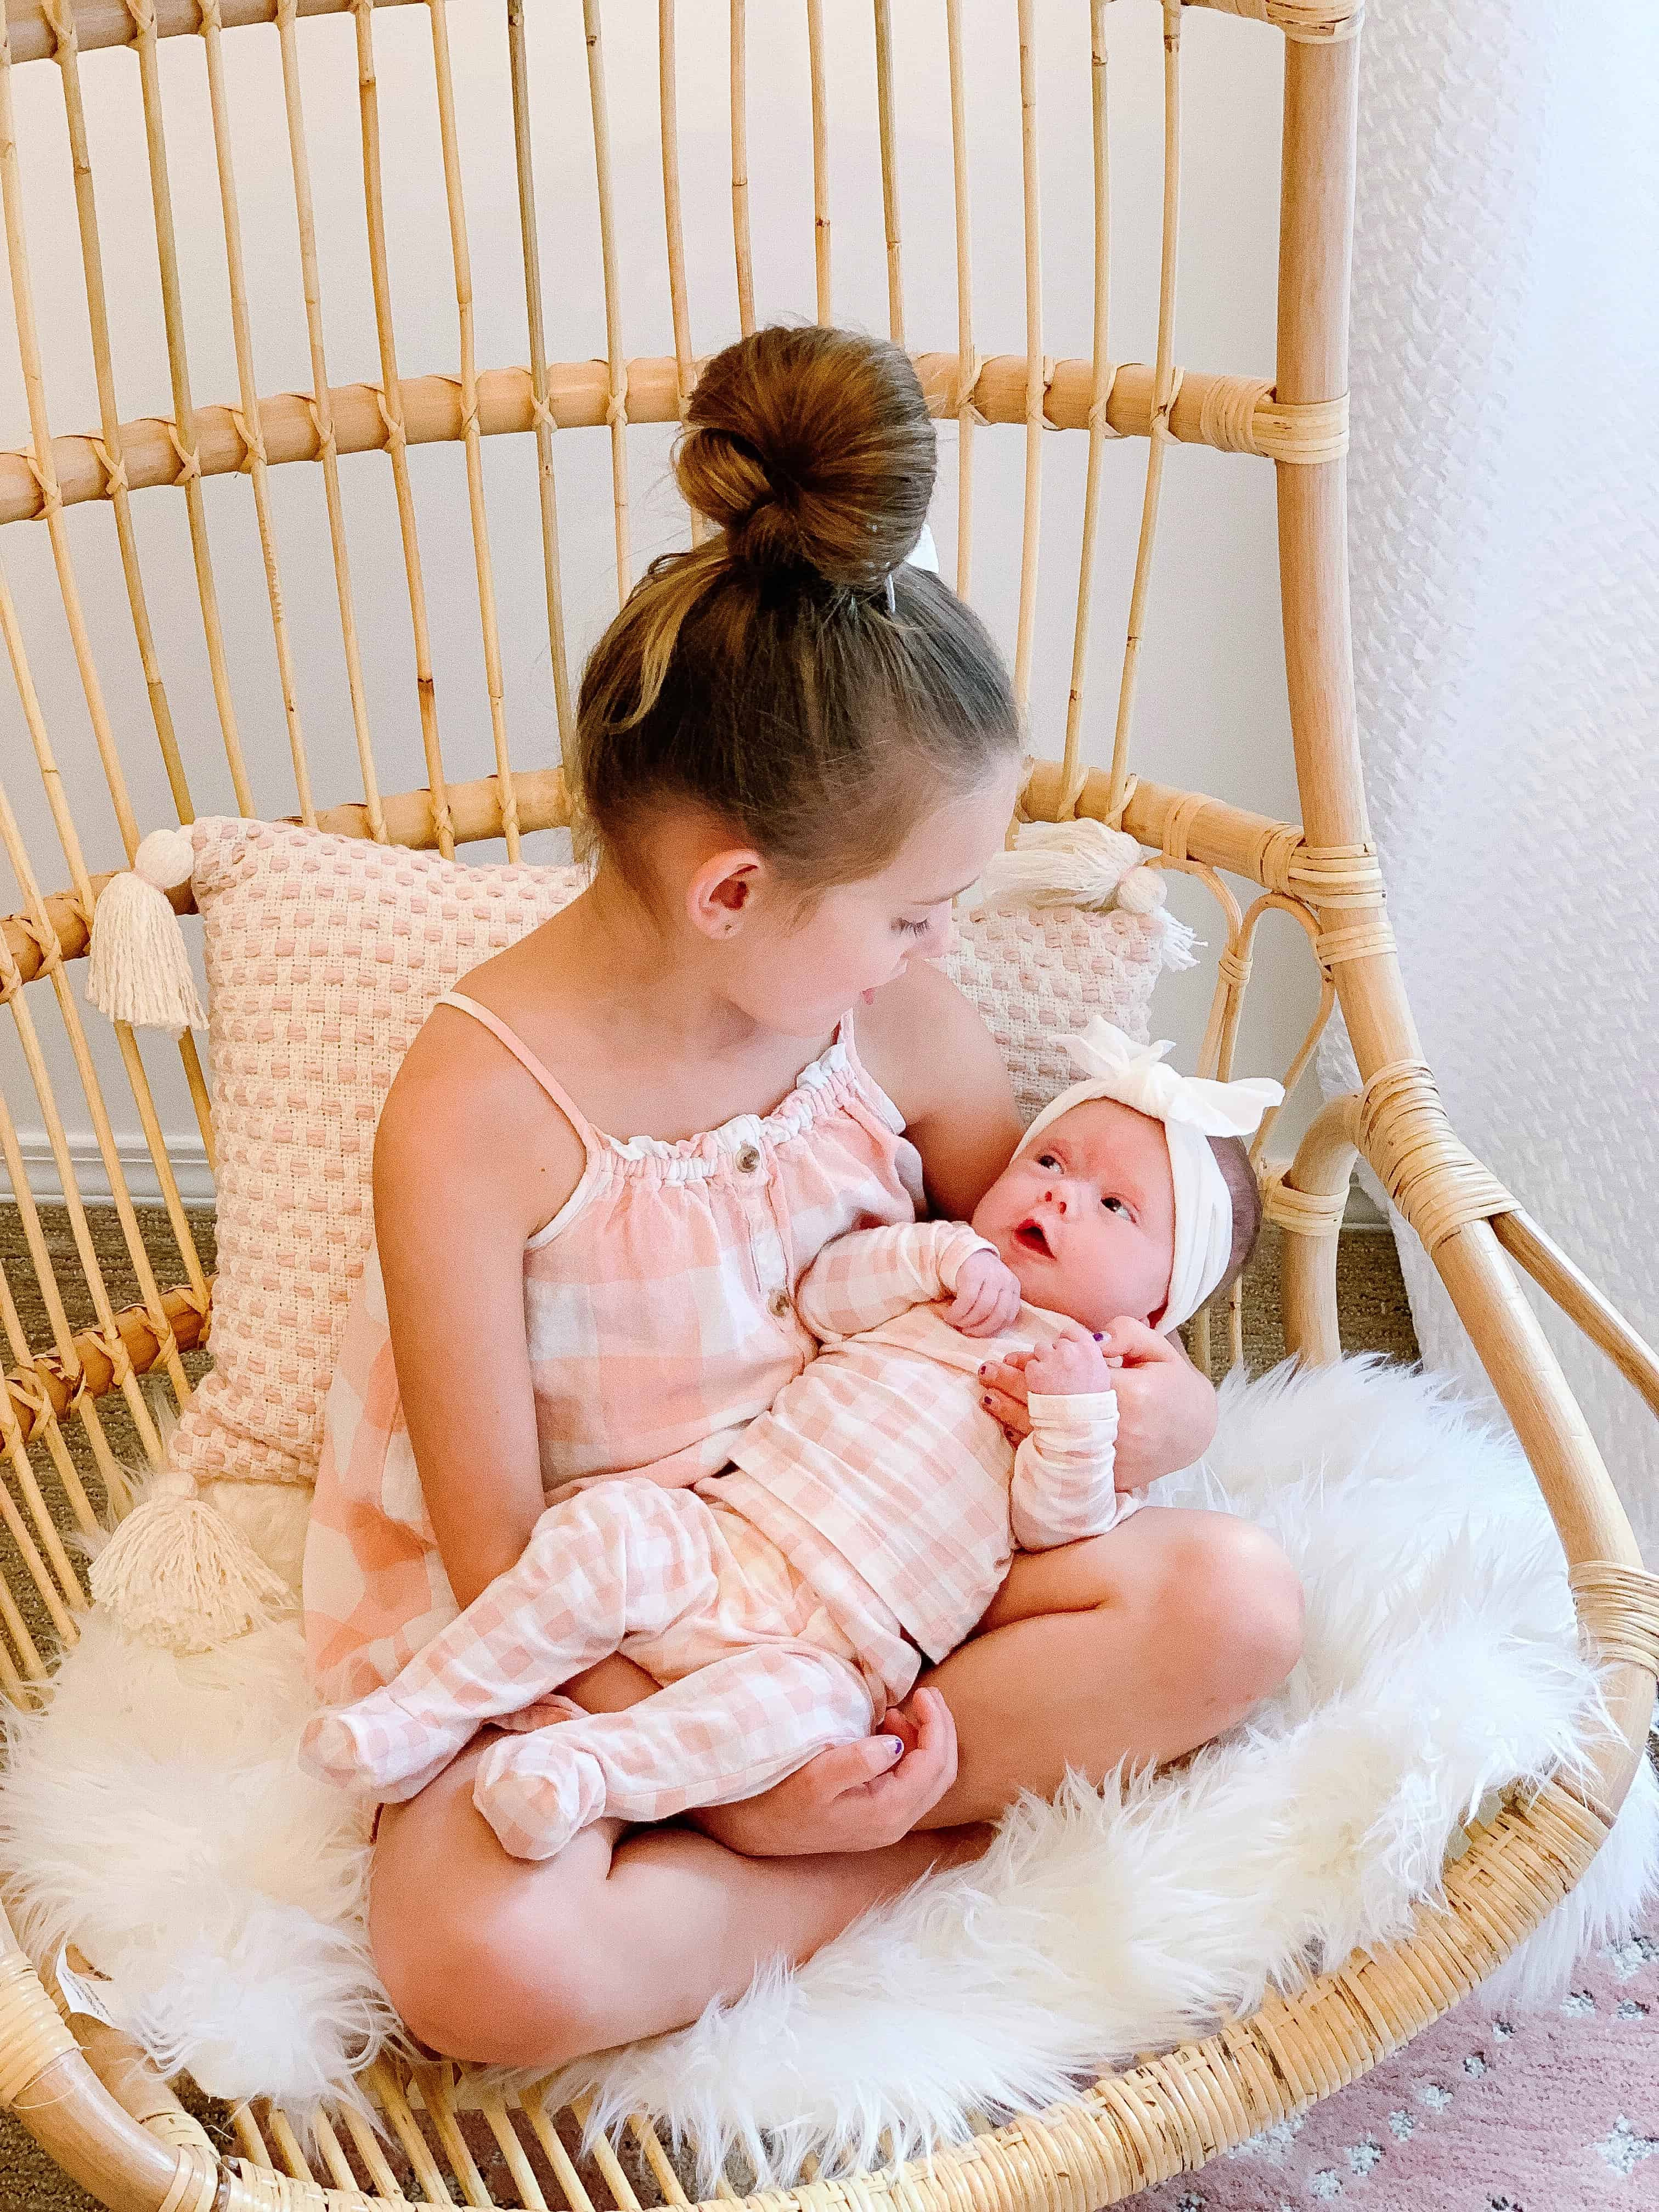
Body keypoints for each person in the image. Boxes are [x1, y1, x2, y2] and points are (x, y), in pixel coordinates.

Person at [301, 324, 1304, 2068]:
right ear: (737, 892)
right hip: (625, 1622)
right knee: (469, 1958)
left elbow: (1056, 1270)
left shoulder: (884, 1010)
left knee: (1238, 1606)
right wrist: (745, 1773)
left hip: (897, 1565)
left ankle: (875, 1810)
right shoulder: (475, 1115)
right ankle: (882, 1855)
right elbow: (499, 1555)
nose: (941, 951)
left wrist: (1154, 1402)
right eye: (920, 911)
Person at [302, 1023, 1283, 1865]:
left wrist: (1075, 1419)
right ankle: (420, 1712)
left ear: (1159, 1303)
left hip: (842, 1651)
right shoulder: (946, 1283)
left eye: (1117, 1209)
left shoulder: (1102, 1397)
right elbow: (825, 1295)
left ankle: (587, 1776)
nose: (1064, 1197)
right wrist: (942, 1254)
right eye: (1052, 1163)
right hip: (732, 1535)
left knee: (791, 1728)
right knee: (608, 1536)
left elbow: (1056, 1526)